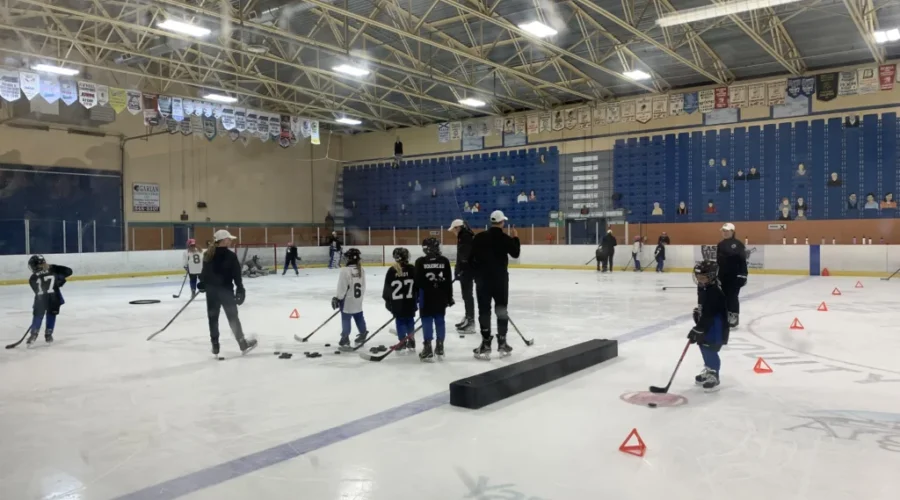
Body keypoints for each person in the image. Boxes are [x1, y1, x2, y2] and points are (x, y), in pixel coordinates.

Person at [471, 210, 520, 360]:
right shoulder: (505, 238)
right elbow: (515, 253)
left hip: (483, 281)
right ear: (502, 222)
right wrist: (515, 238)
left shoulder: (479, 237)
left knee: (484, 311)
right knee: (501, 310)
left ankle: (486, 343)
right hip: (500, 281)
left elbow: (471, 258)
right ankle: (502, 342)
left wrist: (477, 275)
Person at [198, 230, 256, 356]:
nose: (231, 241)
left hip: (212, 293)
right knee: (233, 318)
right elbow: (236, 275)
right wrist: (240, 289)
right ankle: (242, 343)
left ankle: (215, 345)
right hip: (226, 292)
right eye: (229, 239)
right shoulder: (230, 256)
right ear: (224, 240)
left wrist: (202, 283)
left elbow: (203, 274)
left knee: (213, 318)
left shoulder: (208, 254)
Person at [690, 260, 729, 391]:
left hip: (716, 327)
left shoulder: (715, 291)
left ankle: (714, 374)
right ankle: (708, 369)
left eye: (703, 277)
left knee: (710, 349)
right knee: (702, 345)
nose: (700, 280)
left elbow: (711, 313)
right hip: (706, 324)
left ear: (712, 276)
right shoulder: (703, 287)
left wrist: (698, 328)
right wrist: (699, 314)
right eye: (698, 277)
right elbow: (705, 309)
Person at [415, 238, 454, 361]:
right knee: (440, 320)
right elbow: (448, 282)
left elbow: (417, 282)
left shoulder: (420, 261)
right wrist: (449, 297)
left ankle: (427, 348)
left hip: (426, 297)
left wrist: (416, 298)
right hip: (440, 296)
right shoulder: (444, 261)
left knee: (426, 320)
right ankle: (440, 346)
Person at [26, 255, 73, 346]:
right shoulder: (53, 271)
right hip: (54, 298)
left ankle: (33, 334)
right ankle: (48, 334)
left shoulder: (32, 278)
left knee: (38, 316)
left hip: (40, 300)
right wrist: (53, 268)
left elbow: (37, 291)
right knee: (51, 315)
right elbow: (68, 271)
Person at [383, 247, 417, 353]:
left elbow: (387, 289)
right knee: (410, 320)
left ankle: (402, 342)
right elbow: (418, 286)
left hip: (397, 303)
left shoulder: (392, 270)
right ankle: (411, 340)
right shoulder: (412, 269)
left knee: (400, 321)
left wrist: (387, 301)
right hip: (410, 301)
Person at [332, 248, 367, 348]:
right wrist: (360, 297)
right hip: (358, 298)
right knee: (358, 315)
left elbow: (342, 286)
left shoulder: (345, 271)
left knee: (346, 318)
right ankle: (363, 333)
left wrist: (338, 298)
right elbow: (363, 286)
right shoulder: (361, 270)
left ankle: (345, 337)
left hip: (347, 300)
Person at [717, 223, 748, 328]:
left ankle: (733, 316)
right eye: (723, 231)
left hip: (735, 276)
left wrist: (743, 275)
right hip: (722, 276)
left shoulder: (738, 244)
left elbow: (742, 261)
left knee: (732, 297)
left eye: (727, 231)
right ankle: (725, 316)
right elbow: (718, 262)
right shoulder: (720, 244)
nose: (724, 233)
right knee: (723, 297)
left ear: (732, 232)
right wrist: (717, 275)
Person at [449, 219, 476, 334]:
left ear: (458, 227)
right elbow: (461, 256)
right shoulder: (463, 236)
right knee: (466, 296)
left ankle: (471, 321)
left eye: (453, 230)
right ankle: (468, 317)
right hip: (465, 271)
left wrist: (462, 269)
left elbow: (466, 256)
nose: (453, 232)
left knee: (468, 296)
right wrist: (458, 269)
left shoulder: (465, 237)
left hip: (467, 272)